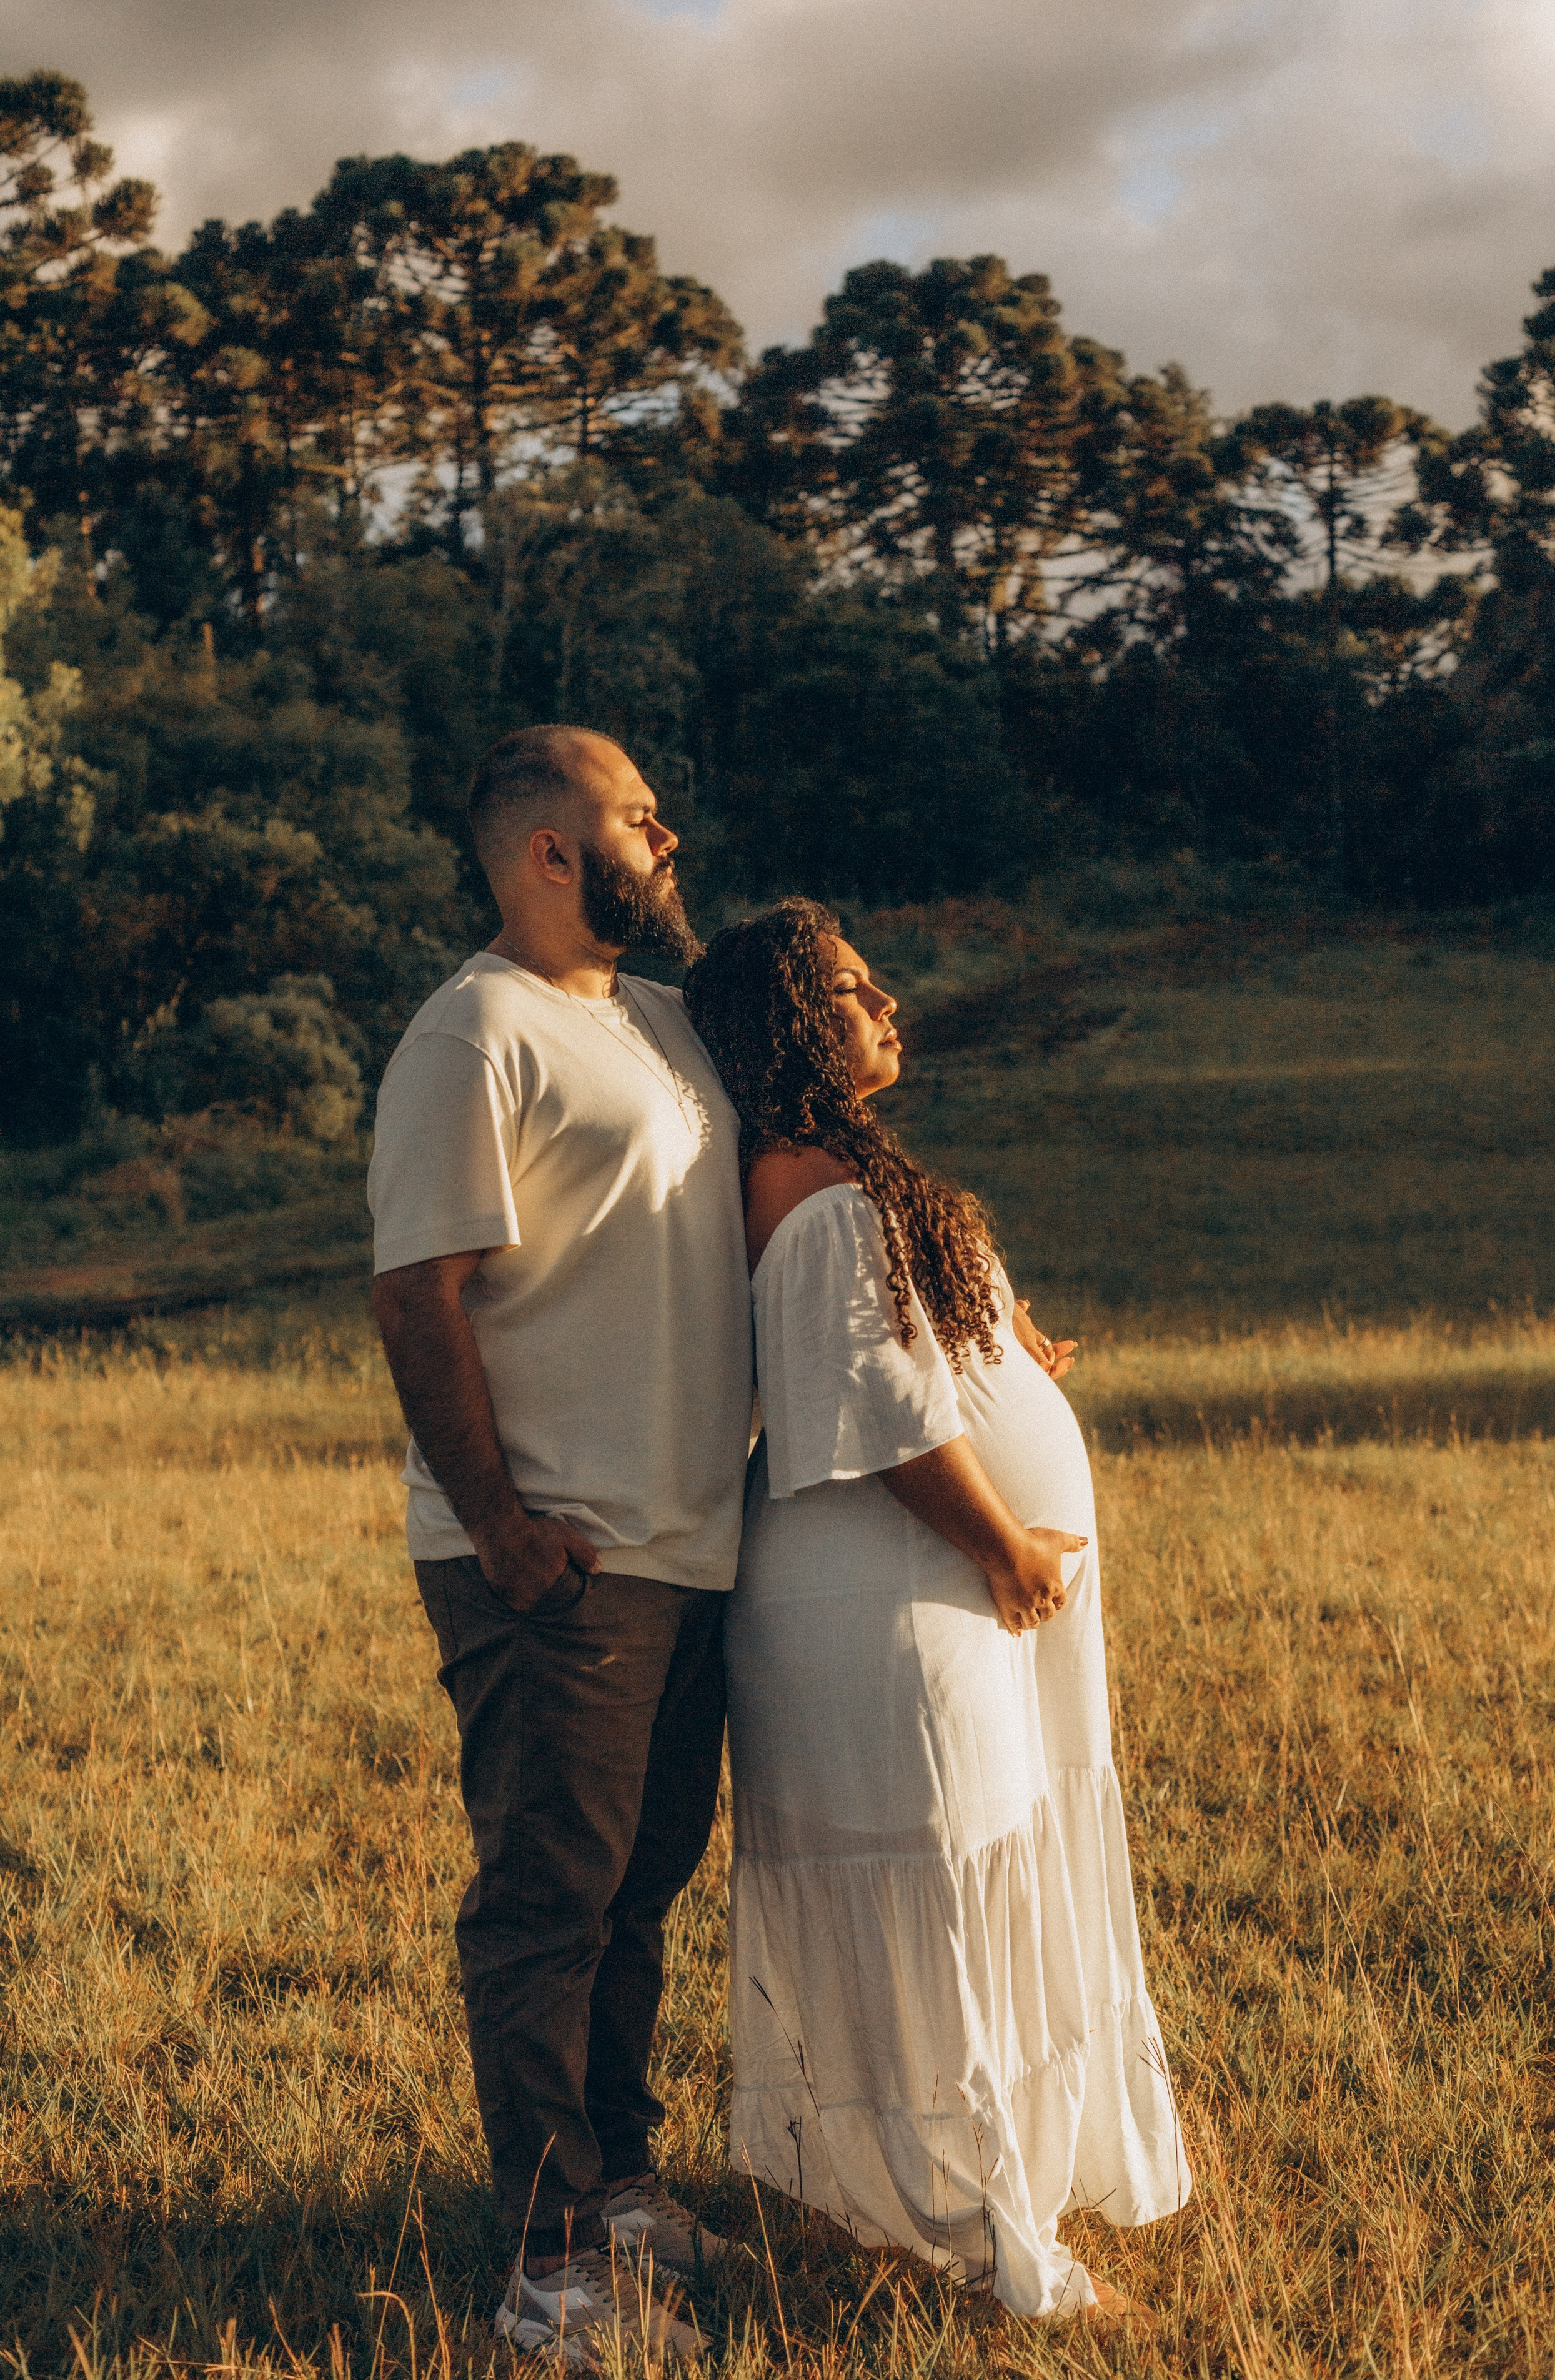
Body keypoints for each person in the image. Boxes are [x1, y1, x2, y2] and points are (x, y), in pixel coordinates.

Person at [683, 899, 1190, 2324]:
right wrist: (1006, 1548)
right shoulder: (809, 1184)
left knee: (972, 1882)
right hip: (892, 1597)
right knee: (942, 1901)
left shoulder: (838, 1173)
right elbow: (886, 1420)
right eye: (851, 988)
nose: (887, 1002)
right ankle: (985, 2238)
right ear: (790, 1019)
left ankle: (971, 2198)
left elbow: (905, 1349)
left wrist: (994, 1327)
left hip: (919, 1591)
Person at [368, 726, 752, 2372]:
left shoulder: (666, 1026)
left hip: (690, 1544)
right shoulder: (476, 1033)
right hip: (559, 1559)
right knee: (549, 1899)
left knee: (641, 1887)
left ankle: (624, 2185)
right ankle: (549, 2272)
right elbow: (416, 1294)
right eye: (636, 820)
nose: (667, 840)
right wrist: (503, 1527)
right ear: (547, 850)